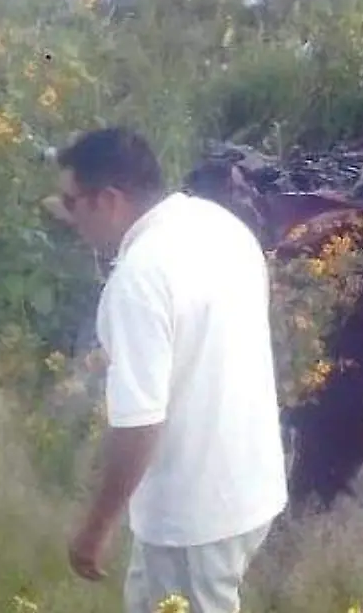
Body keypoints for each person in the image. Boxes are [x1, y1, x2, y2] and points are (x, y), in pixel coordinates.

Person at [52, 127, 288, 613]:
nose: (66, 216)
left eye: (72, 202)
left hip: (194, 516)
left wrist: (94, 529)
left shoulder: (139, 278)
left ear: (109, 200)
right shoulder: (217, 225)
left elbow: (138, 422)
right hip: (250, 485)